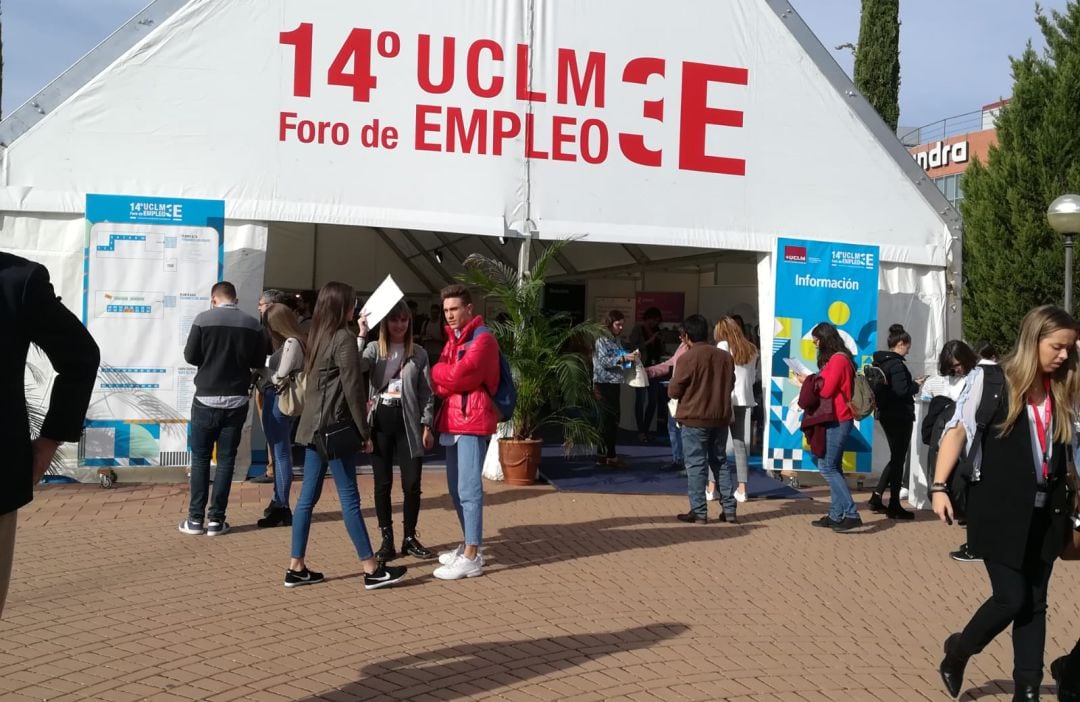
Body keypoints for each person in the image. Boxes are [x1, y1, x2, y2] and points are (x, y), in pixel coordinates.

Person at [933, 305, 1078, 701]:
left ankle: (1027, 690)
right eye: (1057, 347)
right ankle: (958, 652)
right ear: (1033, 341)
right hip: (997, 507)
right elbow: (958, 430)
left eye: (1070, 348)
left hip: (1048, 510)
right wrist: (938, 487)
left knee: (1035, 603)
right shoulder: (991, 379)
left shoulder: (1063, 389)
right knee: (1011, 598)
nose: (1064, 355)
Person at [287, 281, 406, 590]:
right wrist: (364, 432)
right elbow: (353, 389)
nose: (357, 307)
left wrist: (362, 334)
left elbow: (343, 370)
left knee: (306, 500)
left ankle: (296, 565)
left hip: (313, 428)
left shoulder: (319, 334)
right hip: (335, 430)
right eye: (354, 303)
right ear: (343, 306)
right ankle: (370, 568)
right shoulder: (341, 337)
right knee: (350, 498)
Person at [1, 253, 99, 617]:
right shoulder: (17, 279)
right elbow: (81, 356)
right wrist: (49, 440)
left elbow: (81, 357)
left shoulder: (20, 281)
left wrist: (52, 437)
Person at [180, 281, 266, 537]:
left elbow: (190, 356)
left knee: (200, 459)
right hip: (237, 400)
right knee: (227, 460)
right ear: (235, 300)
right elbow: (258, 361)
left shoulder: (202, 319)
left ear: (214, 299)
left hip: (205, 398)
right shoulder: (253, 324)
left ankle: (195, 520)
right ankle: (217, 520)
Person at [430, 283, 502, 580]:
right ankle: (469, 545)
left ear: (469, 308)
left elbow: (457, 375)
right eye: (446, 310)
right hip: (454, 418)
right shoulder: (455, 339)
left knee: (469, 490)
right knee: (456, 490)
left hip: (472, 419)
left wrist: (441, 375)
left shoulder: (482, 339)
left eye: (454, 309)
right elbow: (442, 380)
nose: (449, 315)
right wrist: (444, 377)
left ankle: (472, 553)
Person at [359, 300, 437, 562]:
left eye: (404, 320)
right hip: (380, 421)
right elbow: (355, 367)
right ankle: (386, 539)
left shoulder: (419, 353)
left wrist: (428, 424)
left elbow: (427, 391)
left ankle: (410, 537)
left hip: (409, 422)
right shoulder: (372, 349)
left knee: (412, 483)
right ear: (385, 322)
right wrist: (361, 333)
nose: (399, 325)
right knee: (382, 484)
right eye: (394, 320)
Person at [669, 315, 737, 523]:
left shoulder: (688, 358)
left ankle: (699, 511)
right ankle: (730, 509)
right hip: (719, 417)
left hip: (694, 418)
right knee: (720, 462)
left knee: (696, 464)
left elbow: (673, 390)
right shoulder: (725, 357)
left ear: (687, 336)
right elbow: (731, 383)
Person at [797, 322, 862, 531]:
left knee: (827, 466)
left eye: (817, 342)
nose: (815, 346)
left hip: (838, 418)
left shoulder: (838, 360)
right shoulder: (840, 359)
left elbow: (825, 391)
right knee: (834, 467)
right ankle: (835, 514)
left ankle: (851, 513)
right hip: (837, 417)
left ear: (825, 340)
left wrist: (808, 380)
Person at [922, 340, 981, 562]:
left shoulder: (978, 376)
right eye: (952, 366)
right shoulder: (963, 378)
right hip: (958, 436)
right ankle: (975, 541)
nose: (956, 369)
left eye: (957, 364)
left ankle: (977, 543)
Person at [255, 302, 306, 528]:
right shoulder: (290, 341)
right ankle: (278, 501)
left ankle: (282, 505)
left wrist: (259, 368)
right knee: (278, 453)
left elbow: (280, 376)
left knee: (280, 453)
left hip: (278, 400)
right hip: (274, 398)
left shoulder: (292, 343)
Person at [867, 324, 925, 520]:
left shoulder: (881, 361)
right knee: (899, 459)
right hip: (900, 416)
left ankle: (877, 497)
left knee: (896, 457)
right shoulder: (897, 364)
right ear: (901, 343)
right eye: (907, 346)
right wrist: (915, 386)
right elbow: (901, 391)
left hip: (885, 414)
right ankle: (893, 505)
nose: (908, 349)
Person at [714, 317, 759, 503]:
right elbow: (755, 376)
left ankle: (712, 487)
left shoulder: (722, 346)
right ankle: (742, 488)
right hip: (745, 399)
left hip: (725, 399)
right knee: (740, 444)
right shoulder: (752, 348)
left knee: (716, 444)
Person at [252, 288, 293, 485]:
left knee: (278, 442)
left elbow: (279, 374)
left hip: (276, 391)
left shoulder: (286, 340)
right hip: (269, 388)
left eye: (260, 305)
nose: (259, 309)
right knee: (276, 440)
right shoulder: (277, 333)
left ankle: (274, 472)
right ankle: (274, 472)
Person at [593, 310, 637, 467]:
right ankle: (603, 455)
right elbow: (605, 361)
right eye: (618, 324)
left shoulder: (615, 340)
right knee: (605, 420)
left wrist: (631, 358)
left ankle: (609, 454)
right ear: (610, 324)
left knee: (613, 420)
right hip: (603, 384)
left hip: (614, 383)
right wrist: (624, 358)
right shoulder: (601, 340)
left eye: (622, 325)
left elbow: (620, 360)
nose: (620, 328)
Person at [646, 338, 691, 473]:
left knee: (685, 430)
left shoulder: (695, 349)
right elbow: (671, 363)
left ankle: (688, 464)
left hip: (687, 394)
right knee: (673, 428)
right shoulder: (683, 346)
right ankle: (678, 459)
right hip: (676, 394)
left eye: (682, 335)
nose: (680, 338)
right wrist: (650, 371)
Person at [629, 307, 664, 443]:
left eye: (657, 321)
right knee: (640, 400)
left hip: (654, 368)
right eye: (653, 320)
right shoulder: (638, 329)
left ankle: (647, 429)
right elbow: (633, 347)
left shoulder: (657, 330)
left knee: (653, 401)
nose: (655, 323)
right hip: (640, 368)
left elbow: (661, 350)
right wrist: (650, 340)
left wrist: (660, 341)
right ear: (648, 318)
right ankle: (641, 431)